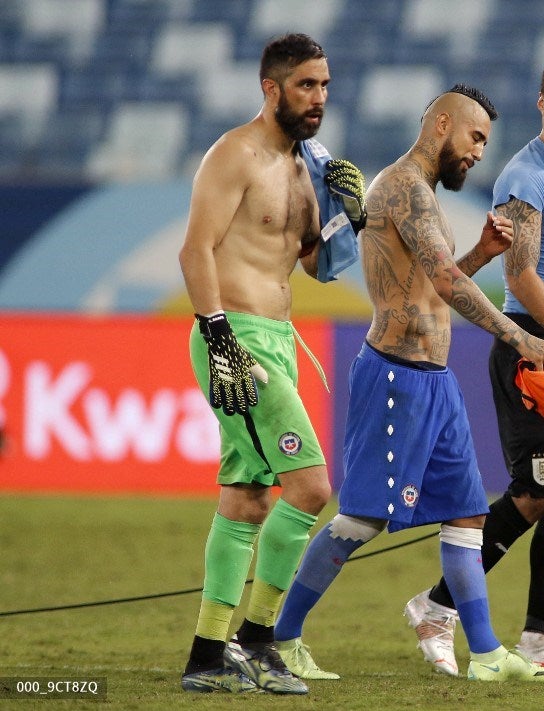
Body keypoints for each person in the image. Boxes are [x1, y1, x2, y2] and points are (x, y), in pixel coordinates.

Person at [271, 84, 544, 683]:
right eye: (475, 136)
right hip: (395, 379)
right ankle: (281, 636)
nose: (480, 151)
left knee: (466, 516)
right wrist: (523, 340)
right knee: (360, 521)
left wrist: (482, 252)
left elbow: (435, 285)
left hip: (435, 382)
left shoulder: (423, 194)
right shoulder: (403, 188)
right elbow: (448, 287)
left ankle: (485, 655)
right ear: (440, 125)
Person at [404, 52, 544, 678]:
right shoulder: (526, 176)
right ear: (541, 102)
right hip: (533, 345)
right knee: (537, 493)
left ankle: (541, 641)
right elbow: (521, 276)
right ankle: (434, 606)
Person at [177, 33, 366, 694]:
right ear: (271, 87)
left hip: (277, 336)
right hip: (237, 338)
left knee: (249, 497)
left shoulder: (306, 164)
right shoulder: (236, 153)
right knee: (311, 489)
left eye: (325, 86)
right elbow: (195, 251)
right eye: (306, 85)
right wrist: (220, 333)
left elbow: (315, 262)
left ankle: (207, 656)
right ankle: (258, 644)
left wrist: (353, 218)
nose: (319, 99)